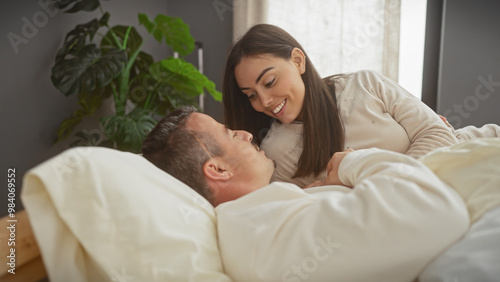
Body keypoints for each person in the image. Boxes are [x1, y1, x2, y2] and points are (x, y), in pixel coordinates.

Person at [141, 106, 477, 281]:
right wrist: (351, 163)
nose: (244, 133)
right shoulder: (258, 234)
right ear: (217, 170)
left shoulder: (266, 211)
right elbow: (437, 214)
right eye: (230, 133)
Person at [222, 23, 500, 187]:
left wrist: (366, 174)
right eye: (251, 95)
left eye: (269, 81)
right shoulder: (276, 152)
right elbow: (309, 209)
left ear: (298, 60)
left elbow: (439, 133)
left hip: (475, 146)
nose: (264, 102)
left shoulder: (363, 85)